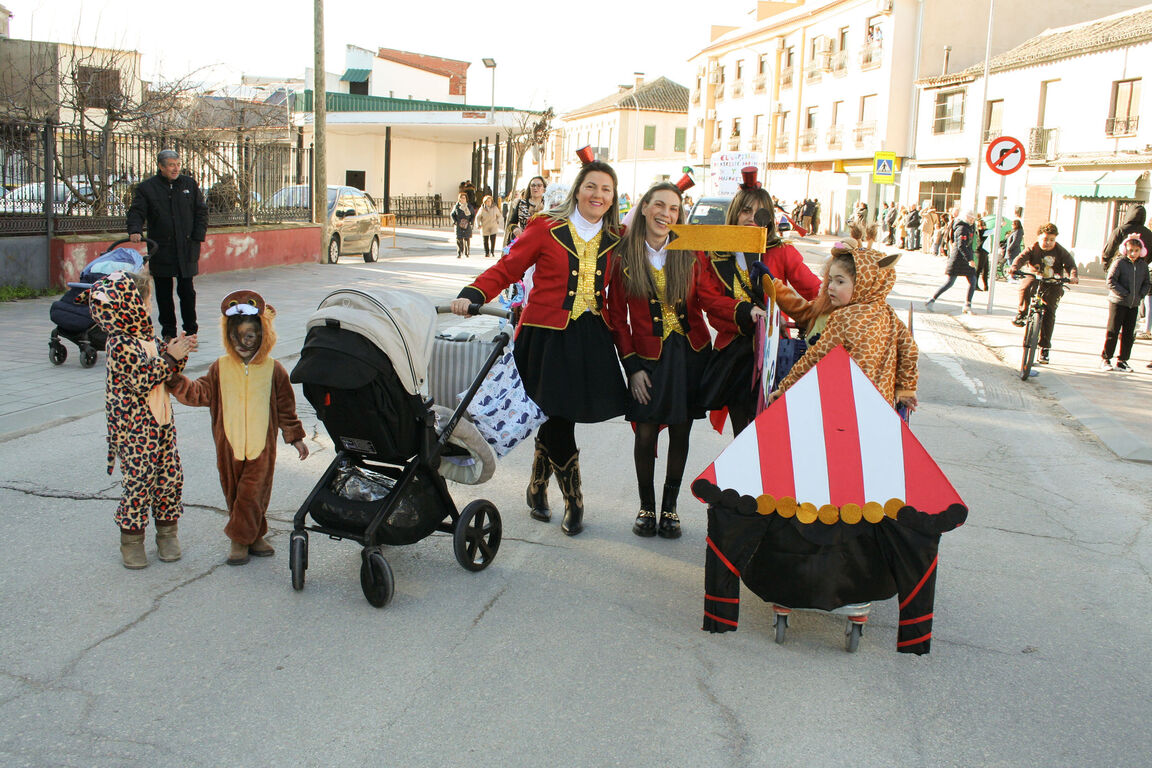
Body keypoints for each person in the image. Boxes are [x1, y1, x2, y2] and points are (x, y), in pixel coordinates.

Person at [451, 157, 627, 536]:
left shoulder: (617, 239)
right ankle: (574, 500)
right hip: (546, 336)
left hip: (590, 338)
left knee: (558, 414)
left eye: (606, 189)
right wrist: (474, 293)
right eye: (591, 186)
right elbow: (509, 267)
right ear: (578, 190)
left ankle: (536, 485)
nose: (598, 194)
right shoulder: (546, 228)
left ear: (613, 199)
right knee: (558, 417)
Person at [606, 182, 762, 539]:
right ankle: (646, 505)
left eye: (674, 208)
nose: (666, 213)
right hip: (647, 358)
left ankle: (670, 507)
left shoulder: (689, 253)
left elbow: (709, 299)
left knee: (681, 431)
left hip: (690, 356)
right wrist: (632, 367)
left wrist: (744, 310)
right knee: (645, 432)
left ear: (680, 214)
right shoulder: (623, 255)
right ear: (644, 208)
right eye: (659, 205)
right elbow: (617, 316)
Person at [168, 290, 308, 565]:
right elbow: (198, 393)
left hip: (261, 446)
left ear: (262, 336)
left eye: (251, 337)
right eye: (237, 337)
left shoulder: (273, 369)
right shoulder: (219, 368)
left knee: (252, 493)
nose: (243, 343)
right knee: (235, 495)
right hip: (228, 444)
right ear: (228, 336)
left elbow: (286, 409)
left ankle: (238, 539)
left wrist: (295, 437)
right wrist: (174, 380)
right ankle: (255, 536)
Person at [698, 167, 822, 436]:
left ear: (769, 219)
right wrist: (745, 311)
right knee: (743, 434)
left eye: (760, 213)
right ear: (735, 213)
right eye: (745, 211)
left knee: (774, 432)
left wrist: (851, 297)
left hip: (775, 354)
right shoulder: (715, 254)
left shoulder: (783, 252)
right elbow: (710, 303)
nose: (752, 218)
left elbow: (815, 289)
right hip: (735, 357)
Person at [85, 270, 195, 569]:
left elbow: (167, 367)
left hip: (161, 424)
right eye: (146, 301)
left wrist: (180, 352)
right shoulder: (119, 344)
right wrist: (169, 358)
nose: (150, 307)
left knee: (170, 477)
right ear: (129, 304)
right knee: (139, 483)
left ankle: (167, 534)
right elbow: (143, 379)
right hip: (135, 430)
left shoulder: (147, 338)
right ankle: (131, 541)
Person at [770, 241, 917, 412]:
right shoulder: (889, 314)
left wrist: (785, 388)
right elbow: (909, 349)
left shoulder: (843, 317)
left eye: (840, 282)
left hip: (843, 403)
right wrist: (906, 387)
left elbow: (816, 357)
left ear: (864, 283)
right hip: (878, 404)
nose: (830, 287)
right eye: (830, 280)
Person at [127, 149, 207, 341]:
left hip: (187, 246)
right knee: (164, 292)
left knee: (187, 290)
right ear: (161, 167)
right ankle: (168, 332)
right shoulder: (147, 188)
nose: (175, 168)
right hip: (161, 247)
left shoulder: (189, 184)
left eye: (177, 164)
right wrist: (135, 229)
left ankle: (191, 330)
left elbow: (201, 211)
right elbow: (137, 211)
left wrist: (197, 235)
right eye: (171, 165)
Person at [1011, 223, 1079, 365]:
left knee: (1050, 312)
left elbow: (1071, 264)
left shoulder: (1060, 251)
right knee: (1025, 286)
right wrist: (1014, 267)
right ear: (1039, 237)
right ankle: (1022, 313)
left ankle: (1044, 348)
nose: (1048, 242)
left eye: (1051, 240)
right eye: (1045, 239)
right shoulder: (1033, 248)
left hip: (1053, 282)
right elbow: (1021, 258)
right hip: (1035, 277)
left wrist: (1073, 275)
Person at [1099, 235, 1150, 372]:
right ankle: (1106, 358)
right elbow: (1111, 281)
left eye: (1136, 250)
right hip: (1118, 302)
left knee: (1128, 333)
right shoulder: (1119, 263)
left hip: (1133, 305)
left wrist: (1140, 295)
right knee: (1113, 331)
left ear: (1141, 251)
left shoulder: (1143, 266)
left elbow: (1147, 283)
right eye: (1131, 250)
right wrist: (1125, 293)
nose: (1133, 253)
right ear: (1125, 250)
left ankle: (1122, 360)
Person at [925, 210, 978, 314]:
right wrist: (970, 259)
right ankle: (931, 299)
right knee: (950, 282)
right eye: (971, 218)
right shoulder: (962, 228)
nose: (973, 220)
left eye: (973, 218)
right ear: (966, 217)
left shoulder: (968, 227)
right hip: (958, 259)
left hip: (963, 259)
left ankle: (967, 305)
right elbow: (961, 245)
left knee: (973, 281)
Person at [1101, 204, 1152, 273]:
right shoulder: (1149, 233)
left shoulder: (1120, 230)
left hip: (1119, 270)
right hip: (1139, 271)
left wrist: (1107, 267)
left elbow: (1109, 250)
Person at [506, 176, 546, 243]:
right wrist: (515, 228)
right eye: (533, 185)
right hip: (524, 242)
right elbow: (510, 223)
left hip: (543, 243)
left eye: (539, 185)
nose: (535, 188)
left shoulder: (549, 205)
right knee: (509, 252)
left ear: (544, 188)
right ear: (529, 188)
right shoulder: (521, 203)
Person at [450, 192, 475, 258]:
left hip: (467, 223)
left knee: (467, 238)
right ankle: (459, 252)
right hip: (459, 224)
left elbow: (472, 215)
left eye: (464, 198)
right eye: (461, 198)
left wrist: (471, 222)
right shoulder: (456, 206)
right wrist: (455, 221)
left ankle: (467, 252)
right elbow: (452, 215)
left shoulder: (469, 206)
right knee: (459, 238)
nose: (463, 199)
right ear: (459, 199)